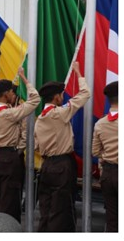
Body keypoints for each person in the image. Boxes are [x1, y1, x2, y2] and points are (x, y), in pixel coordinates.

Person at [34, 61, 90, 232]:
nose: (63, 98)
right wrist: (79, 73)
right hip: (62, 165)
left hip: (46, 166)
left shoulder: (40, 118)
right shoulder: (59, 113)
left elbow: (36, 146)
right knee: (60, 209)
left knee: (46, 206)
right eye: (61, 95)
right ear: (57, 97)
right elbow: (85, 94)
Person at [0, 67, 40, 222]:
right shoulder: (10, 113)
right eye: (11, 92)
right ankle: (7, 229)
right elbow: (35, 100)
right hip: (9, 156)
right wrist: (23, 77)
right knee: (9, 198)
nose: (13, 94)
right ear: (7, 93)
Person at [92, 81, 118, 232]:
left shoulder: (101, 123)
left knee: (112, 217)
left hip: (108, 173)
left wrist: (108, 155)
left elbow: (95, 151)